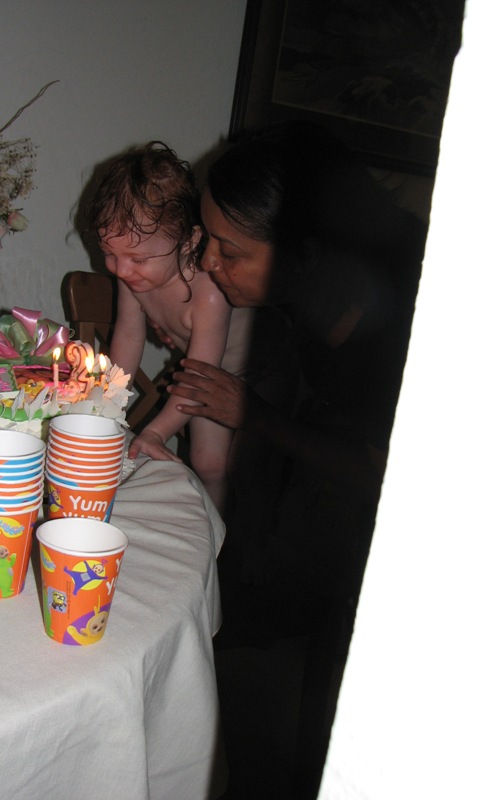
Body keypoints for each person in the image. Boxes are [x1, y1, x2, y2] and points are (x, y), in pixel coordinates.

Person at [167, 124, 427, 796]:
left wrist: (252, 414)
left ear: (305, 252)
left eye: (230, 250)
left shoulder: (412, 320)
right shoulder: (305, 302)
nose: (209, 263)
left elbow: (384, 470)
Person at [74, 141, 252, 509]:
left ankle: (222, 533)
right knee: (206, 459)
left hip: (244, 375)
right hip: (203, 373)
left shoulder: (210, 292)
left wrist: (156, 430)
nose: (122, 270)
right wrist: (109, 400)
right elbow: (128, 335)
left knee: (211, 463)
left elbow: (200, 377)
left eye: (137, 258)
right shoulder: (131, 277)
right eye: (109, 253)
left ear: (189, 241)